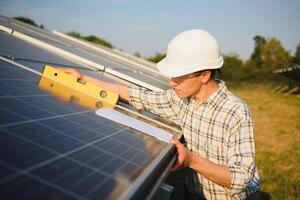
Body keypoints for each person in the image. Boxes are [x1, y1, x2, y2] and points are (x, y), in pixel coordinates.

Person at [58, 29, 260, 199]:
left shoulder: (235, 112)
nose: (172, 82)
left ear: (205, 75)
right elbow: (136, 95)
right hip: (190, 194)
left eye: (179, 77)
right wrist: (83, 79)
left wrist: (191, 160)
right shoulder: (181, 100)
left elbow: (243, 179)